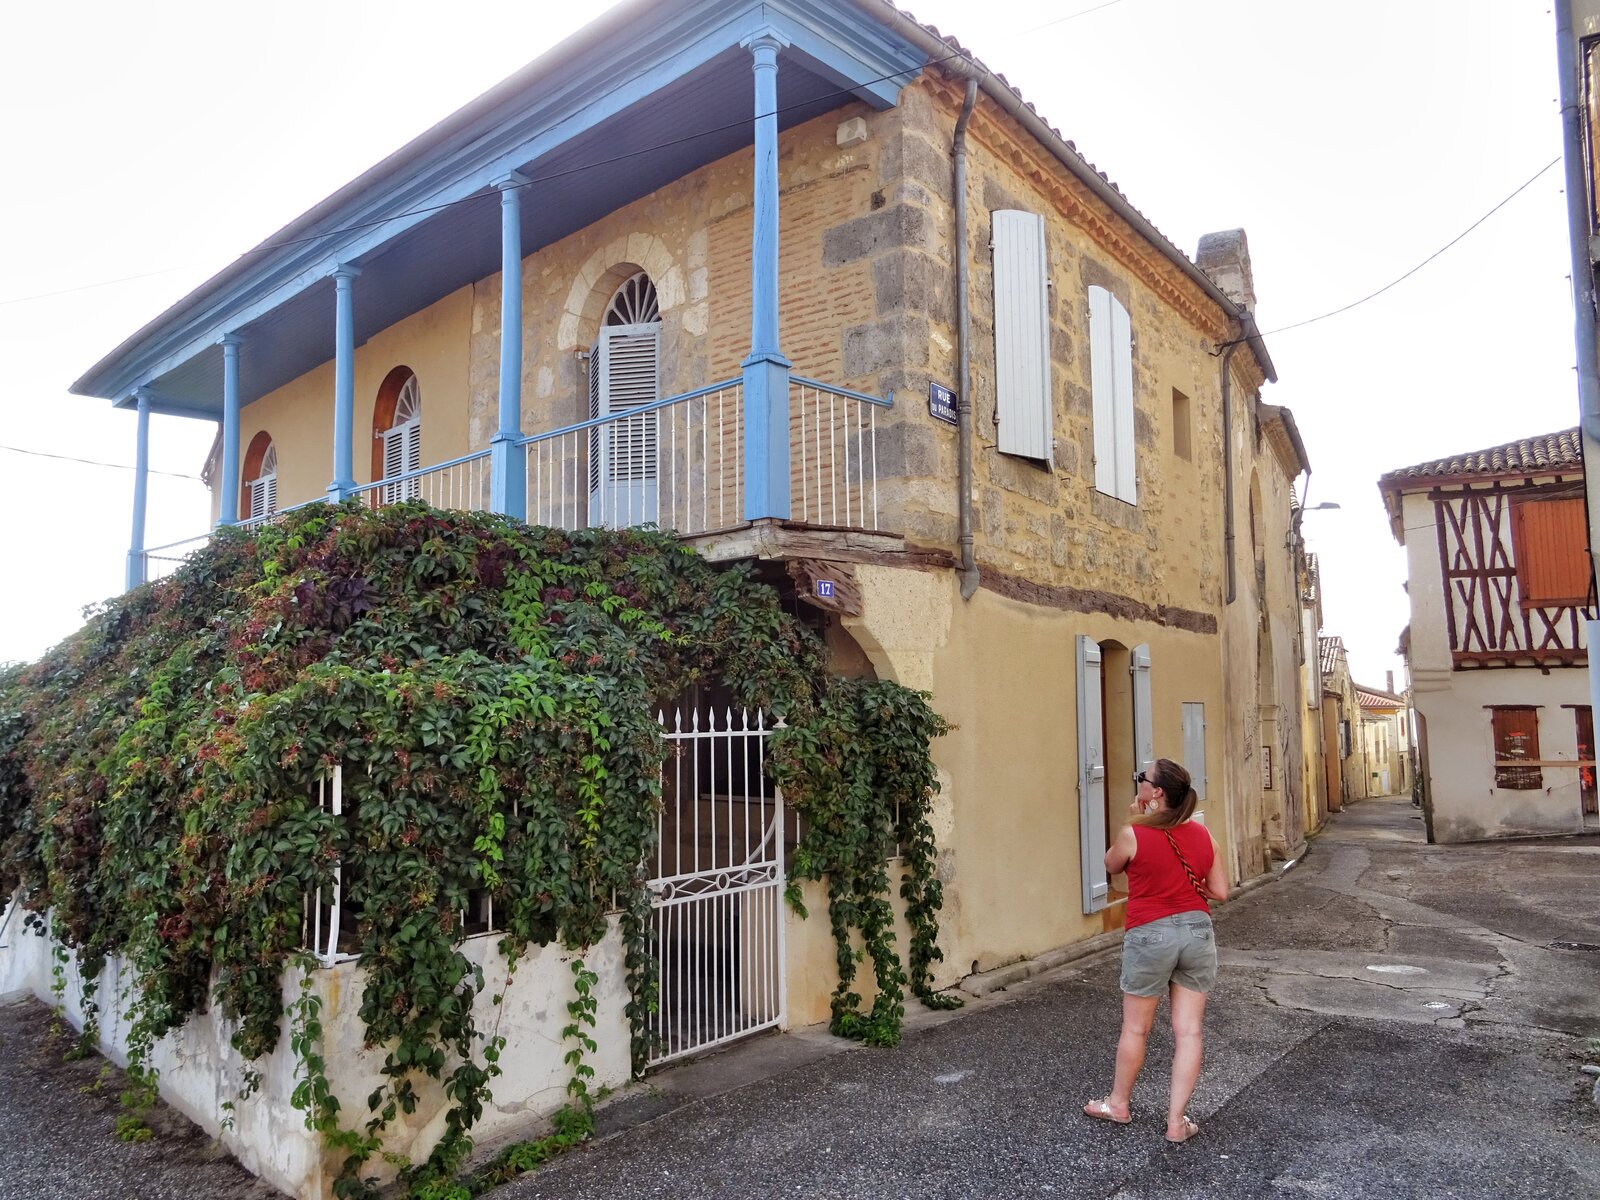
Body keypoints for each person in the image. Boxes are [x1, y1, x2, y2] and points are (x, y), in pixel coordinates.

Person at [1082, 757, 1229, 1143]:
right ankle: (1176, 1123)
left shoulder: (1134, 832)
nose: (1139, 783)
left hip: (1150, 933)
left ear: (1156, 793)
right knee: (1189, 1032)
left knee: (1136, 1027)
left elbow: (1111, 865)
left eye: (1142, 779)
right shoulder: (1203, 835)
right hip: (1197, 933)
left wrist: (1131, 820)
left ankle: (1118, 1104)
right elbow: (1220, 891)